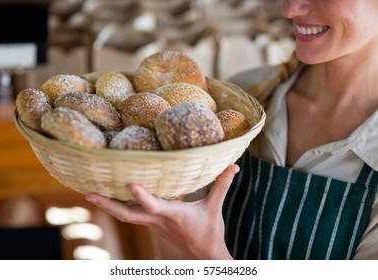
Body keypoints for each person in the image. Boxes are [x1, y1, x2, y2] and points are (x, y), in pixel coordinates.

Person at [85, 0, 378, 260]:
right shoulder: (243, 100)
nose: (289, 9)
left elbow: (199, 251)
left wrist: (209, 254)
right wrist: (160, 208)